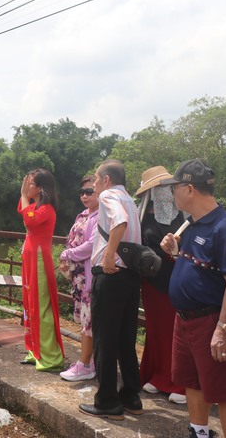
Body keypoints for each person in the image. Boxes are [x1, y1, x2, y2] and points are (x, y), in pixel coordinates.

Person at [160, 159, 226, 438]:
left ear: (190, 189)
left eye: (175, 188)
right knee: (192, 381)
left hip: (210, 320)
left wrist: (223, 328)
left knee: (225, 390)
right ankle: (199, 432)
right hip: (185, 319)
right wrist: (175, 252)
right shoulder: (191, 225)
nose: (173, 194)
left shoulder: (224, 227)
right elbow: (200, 270)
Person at [79, 159, 142, 421]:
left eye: (95, 179)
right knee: (125, 338)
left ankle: (107, 401)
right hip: (130, 276)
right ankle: (130, 395)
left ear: (106, 180)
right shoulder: (131, 199)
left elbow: (119, 222)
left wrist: (108, 256)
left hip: (110, 274)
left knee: (105, 338)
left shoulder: (107, 195)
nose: (92, 185)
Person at [135, 166, 187, 405]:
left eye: (168, 187)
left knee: (174, 332)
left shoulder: (183, 218)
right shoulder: (144, 216)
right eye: (160, 188)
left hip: (176, 283)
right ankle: (157, 375)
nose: (165, 192)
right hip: (151, 284)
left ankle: (179, 381)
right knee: (156, 330)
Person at [17, 168, 65, 371]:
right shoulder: (36, 205)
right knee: (29, 305)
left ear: (40, 188)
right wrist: (24, 195)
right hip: (30, 258)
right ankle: (35, 350)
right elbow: (23, 210)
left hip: (38, 260)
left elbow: (28, 219)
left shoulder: (47, 209)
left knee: (40, 305)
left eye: (30, 183)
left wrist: (22, 195)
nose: (26, 186)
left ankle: (50, 356)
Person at [58, 176, 98, 381]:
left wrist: (67, 255)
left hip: (90, 277)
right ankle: (88, 362)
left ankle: (85, 364)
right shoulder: (82, 215)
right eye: (82, 192)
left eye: (89, 191)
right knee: (85, 320)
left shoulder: (101, 216)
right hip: (79, 277)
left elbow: (91, 245)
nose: (84, 195)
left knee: (88, 321)